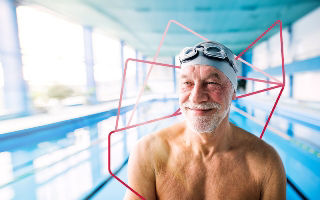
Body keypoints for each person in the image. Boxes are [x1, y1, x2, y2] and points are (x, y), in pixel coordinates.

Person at [124, 41, 286, 200]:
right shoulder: (148, 152)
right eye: (187, 83)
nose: (196, 97)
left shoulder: (266, 162)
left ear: (234, 91)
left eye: (211, 83)